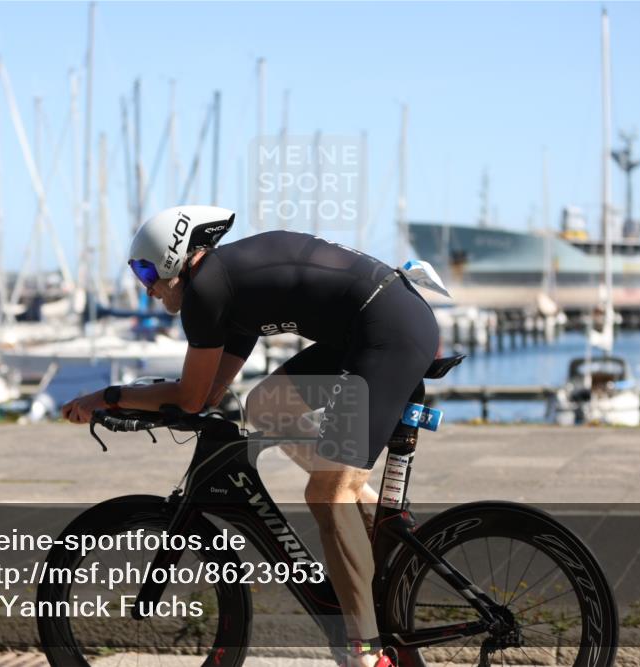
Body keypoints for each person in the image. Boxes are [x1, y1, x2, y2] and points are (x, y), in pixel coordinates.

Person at [62, 205, 439, 667]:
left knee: (325, 494)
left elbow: (190, 397)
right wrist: (137, 404)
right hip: (375, 326)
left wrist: (109, 396)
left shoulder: (207, 290)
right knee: (267, 405)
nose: (146, 286)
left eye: (145, 270)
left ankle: (364, 652)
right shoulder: (229, 294)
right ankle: (359, 498)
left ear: (172, 256)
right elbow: (208, 394)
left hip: (387, 333)